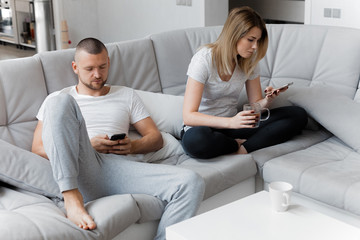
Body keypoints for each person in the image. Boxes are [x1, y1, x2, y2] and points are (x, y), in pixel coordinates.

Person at [31, 37, 205, 240]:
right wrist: (87, 146)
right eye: (89, 69)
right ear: (75, 67)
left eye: (102, 67)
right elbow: (38, 149)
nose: (97, 75)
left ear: (109, 63)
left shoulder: (126, 95)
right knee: (59, 101)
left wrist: (132, 146)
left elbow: (155, 139)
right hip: (77, 167)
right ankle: (71, 197)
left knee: (191, 182)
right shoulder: (59, 99)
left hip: (118, 169)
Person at [181, 6, 308, 159]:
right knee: (196, 141)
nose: (255, 47)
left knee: (298, 115)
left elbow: (255, 107)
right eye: (250, 40)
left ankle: (244, 148)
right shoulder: (204, 59)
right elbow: (188, 116)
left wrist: (268, 100)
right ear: (234, 35)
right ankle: (234, 144)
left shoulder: (249, 62)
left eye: (258, 41)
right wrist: (231, 122)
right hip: (203, 129)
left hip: (234, 127)